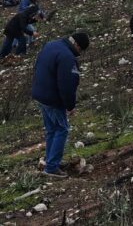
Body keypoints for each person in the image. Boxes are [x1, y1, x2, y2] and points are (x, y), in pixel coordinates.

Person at [31, 32, 90, 178]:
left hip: (40, 94)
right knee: (62, 129)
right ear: (77, 45)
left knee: (51, 130)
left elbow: (36, 67)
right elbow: (67, 85)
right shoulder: (67, 58)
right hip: (53, 99)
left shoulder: (51, 45)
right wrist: (70, 106)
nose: (79, 53)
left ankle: (50, 161)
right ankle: (51, 167)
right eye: (80, 50)